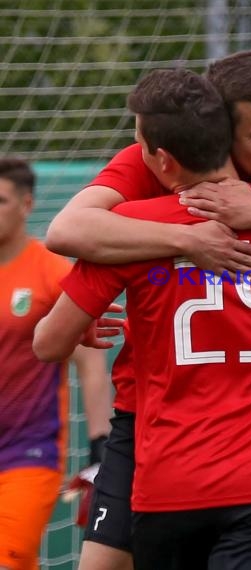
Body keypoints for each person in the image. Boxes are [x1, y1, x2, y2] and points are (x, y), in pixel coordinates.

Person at [45, 50, 251, 570]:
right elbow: (65, 232)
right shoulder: (154, 155)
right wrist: (187, 241)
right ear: (220, 129)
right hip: (151, 419)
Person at [0, 158, 111, 570]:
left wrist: (100, 445)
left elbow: (90, 362)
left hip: (29, 451)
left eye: (0, 200)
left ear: (27, 204)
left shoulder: (49, 272)